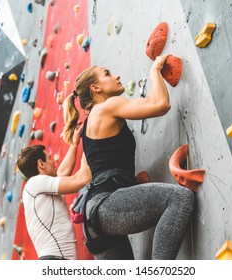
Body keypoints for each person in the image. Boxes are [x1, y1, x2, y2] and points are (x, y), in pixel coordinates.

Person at [62, 54, 195, 260]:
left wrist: (130, 182)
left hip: (94, 220)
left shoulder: (89, 129)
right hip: (106, 205)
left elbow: (84, 178)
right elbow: (160, 104)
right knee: (179, 198)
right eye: (107, 74)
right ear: (95, 88)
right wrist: (155, 70)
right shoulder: (107, 106)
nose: (116, 76)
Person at [16, 123, 91, 260]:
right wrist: (91, 134)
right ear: (41, 164)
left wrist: (75, 143)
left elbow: (62, 172)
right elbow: (82, 179)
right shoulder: (35, 184)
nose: (54, 162)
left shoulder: (35, 188)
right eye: (50, 158)